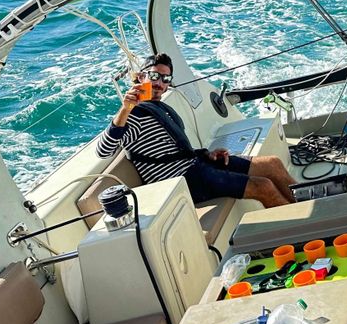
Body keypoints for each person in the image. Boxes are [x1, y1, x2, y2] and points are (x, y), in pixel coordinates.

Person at [97, 53, 296, 208]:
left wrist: (206, 154)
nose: (159, 83)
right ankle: (302, 230)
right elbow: (104, 150)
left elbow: (178, 149)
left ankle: (309, 207)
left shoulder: (161, 108)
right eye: (154, 76)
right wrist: (125, 108)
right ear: (141, 76)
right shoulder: (134, 115)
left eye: (166, 79)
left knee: (272, 164)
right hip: (182, 180)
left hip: (197, 164)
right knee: (263, 186)